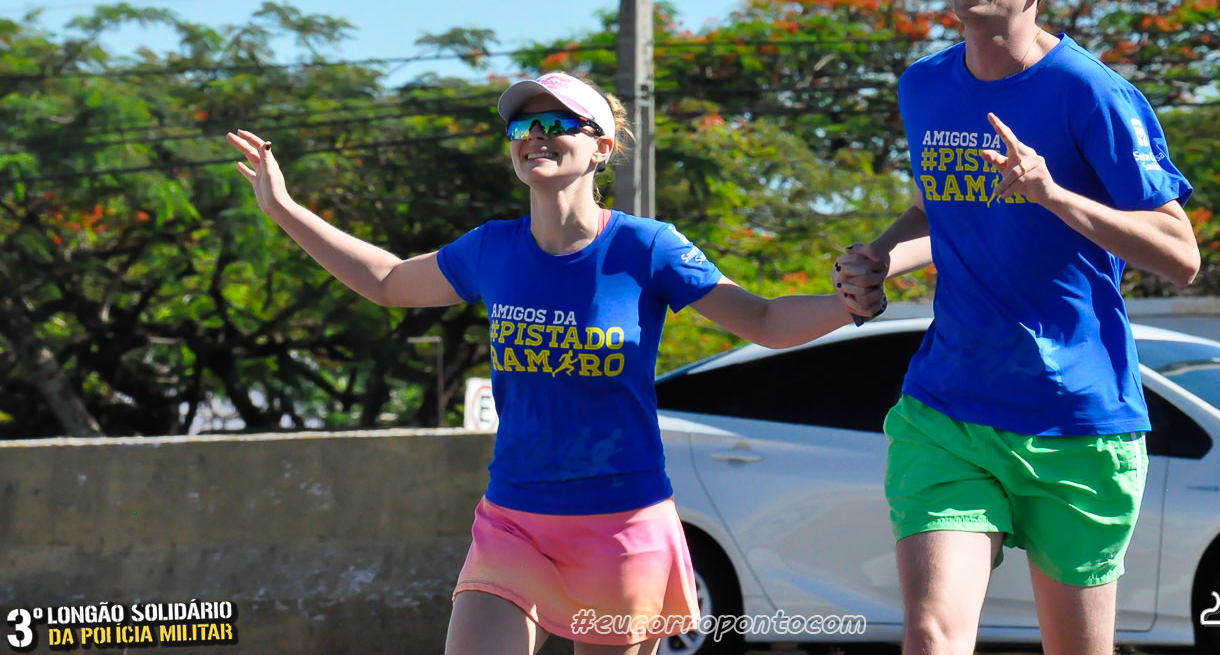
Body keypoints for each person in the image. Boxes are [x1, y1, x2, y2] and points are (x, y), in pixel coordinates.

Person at [228, 71, 870, 655]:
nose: (535, 135)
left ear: (602, 149)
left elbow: (763, 321)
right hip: (515, 520)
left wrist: (849, 305)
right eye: (522, 126)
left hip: (622, 523)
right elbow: (389, 281)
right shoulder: (491, 248)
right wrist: (283, 208)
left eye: (557, 123)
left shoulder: (647, 247)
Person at [834, 0, 1200, 655]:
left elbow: (1180, 254)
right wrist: (879, 260)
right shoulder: (924, 86)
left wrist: (1054, 195)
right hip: (949, 409)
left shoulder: (1091, 93)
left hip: (1078, 419)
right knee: (932, 634)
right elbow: (939, 210)